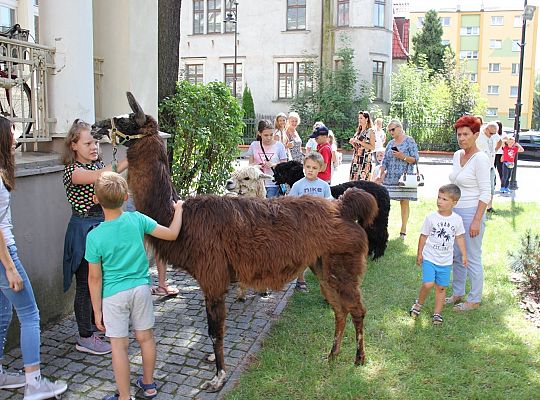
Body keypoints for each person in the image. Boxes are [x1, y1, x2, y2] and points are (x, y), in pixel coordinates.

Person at [86, 172, 184, 400]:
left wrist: (97, 310)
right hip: (141, 289)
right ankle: (149, 385)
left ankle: (124, 396)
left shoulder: (94, 237)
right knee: (146, 338)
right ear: (126, 196)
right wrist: (178, 210)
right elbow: (171, 234)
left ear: (96, 199)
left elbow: (94, 278)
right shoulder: (137, 219)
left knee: (119, 347)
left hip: (113, 296)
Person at [0, 116, 68, 399]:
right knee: (30, 314)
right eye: (13, 132)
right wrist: (10, 268)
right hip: (4, 256)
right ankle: (34, 383)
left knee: (3, 314)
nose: (17, 136)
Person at [62, 119, 128, 355]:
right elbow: (103, 175)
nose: (94, 146)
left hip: (99, 226)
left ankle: (93, 326)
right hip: (83, 230)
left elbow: (107, 177)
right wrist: (130, 158)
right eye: (88, 142)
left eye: (96, 142)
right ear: (73, 145)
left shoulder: (98, 164)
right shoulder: (73, 171)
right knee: (84, 284)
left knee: (98, 282)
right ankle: (85, 337)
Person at [447, 115, 491, 311]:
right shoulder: (457, 155)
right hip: (455, 213)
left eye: (466, 134)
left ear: (476, 135)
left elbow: (486, 192)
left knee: (472, 256)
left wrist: (476, 220)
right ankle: (457, 293)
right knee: (456, 255)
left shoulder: (481, 158)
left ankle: (474, 299)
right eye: (459, 134)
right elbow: (455, 183)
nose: (462, 138)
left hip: (473, 211)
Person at [410, 184, 467, 325]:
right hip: (430, 257)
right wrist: (419, 253)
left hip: (446, 261)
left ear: (454, 203)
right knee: (428, 283)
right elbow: (423, 236)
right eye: (439, 197)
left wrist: (464, 255)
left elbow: (459, 237)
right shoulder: (431, 217)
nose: (439, 201)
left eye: (444, 199)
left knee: (441, 288)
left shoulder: (457, 220)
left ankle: (437, 313)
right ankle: (418, 304)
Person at [289, 152, 332, 292]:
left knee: (320, 256)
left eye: (314, 168)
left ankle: (325, 283)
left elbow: (329, 200)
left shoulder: (324, 185)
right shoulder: (297, 185)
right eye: (308, 167)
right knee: (302, 255)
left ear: (320, 169)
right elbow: (289, 203)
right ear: (304, 167)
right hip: (302, 227)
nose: (310, 170)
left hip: (319, 227)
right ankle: (300, 280)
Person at [375, 119, 420, 238]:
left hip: (405, 178)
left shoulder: (409, 141)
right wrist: (380, 173)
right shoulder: (390, 143)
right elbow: (385, 161)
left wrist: (402, 156)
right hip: (389, 178)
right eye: (389, 130)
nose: (391, 132)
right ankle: (382, 228)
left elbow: (415, 159)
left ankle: (403, 230)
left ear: (400, 128)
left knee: (404, 202)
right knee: (383, 202)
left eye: (393, 129)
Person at [246, 120, 288, 198]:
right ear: (259, 133)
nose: (269, 138)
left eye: (271, 135)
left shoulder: (279, 146)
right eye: (266, 135)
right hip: (257, 184)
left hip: (272, 183)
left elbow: (285, 165)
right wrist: (256, 166)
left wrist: (274, 165)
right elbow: (250, 165)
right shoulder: (254, 145)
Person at [476, 121, 501, 212]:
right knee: (479, 188)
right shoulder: (478, 135)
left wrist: (495, 150)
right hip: (480, 166)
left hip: (491, 166)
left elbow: (500, 141)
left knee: (491, 187)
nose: (492, 135)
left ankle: (489, 208)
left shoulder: (494, 134)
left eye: (494, 133)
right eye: (491, 133)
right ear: (486, 129)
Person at [349, 111, 375, 181]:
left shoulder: (370, 131)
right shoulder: (358, 131)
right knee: (354, 180)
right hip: (356, 158)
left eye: (361, 118)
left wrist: (359, 142)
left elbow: (372, 147)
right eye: (359, 118)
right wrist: (353, 143)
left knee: (363, 181)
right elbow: (357, 146)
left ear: (367, 119)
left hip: (365, 159)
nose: (359, 120)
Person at [493, 121, 507, 188]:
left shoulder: (503, 134)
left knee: (501, 170)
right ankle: (493, 184)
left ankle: (503, 185)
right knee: (492, 169)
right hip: (493, 154)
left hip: (500, 154)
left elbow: (506, 145)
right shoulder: (492, 134)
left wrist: (503, 155)